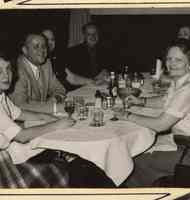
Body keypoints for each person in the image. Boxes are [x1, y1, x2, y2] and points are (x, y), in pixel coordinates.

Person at [0, 50, 116, 188]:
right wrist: (57, 124)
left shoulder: (2, 97)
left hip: (16, 152)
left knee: (77, 159)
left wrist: (51, 117)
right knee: (76, 167)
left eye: (7, 69)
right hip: (8, 165)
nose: (6, 75)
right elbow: (22, 136)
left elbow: (21, 113)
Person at [115, 39, 190, 187]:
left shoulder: (189, 89)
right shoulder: (185, 80)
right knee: (135, 148)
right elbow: (165, 100)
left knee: (131, 161)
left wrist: (127, 115)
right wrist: (140, 101)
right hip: (184, 142)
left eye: (178, 60)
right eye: (169, 59)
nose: (171, 63)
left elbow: (160, 125)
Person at [9, 32, 67, 113]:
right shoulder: (17, 69)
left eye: (44, 46)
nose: (42, 50)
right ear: (25, 50)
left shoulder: (46, 64)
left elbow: (60, 89)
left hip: (41, 115)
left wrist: (55, 99)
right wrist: (54, 107)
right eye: (36, 47)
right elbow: (20, 105)